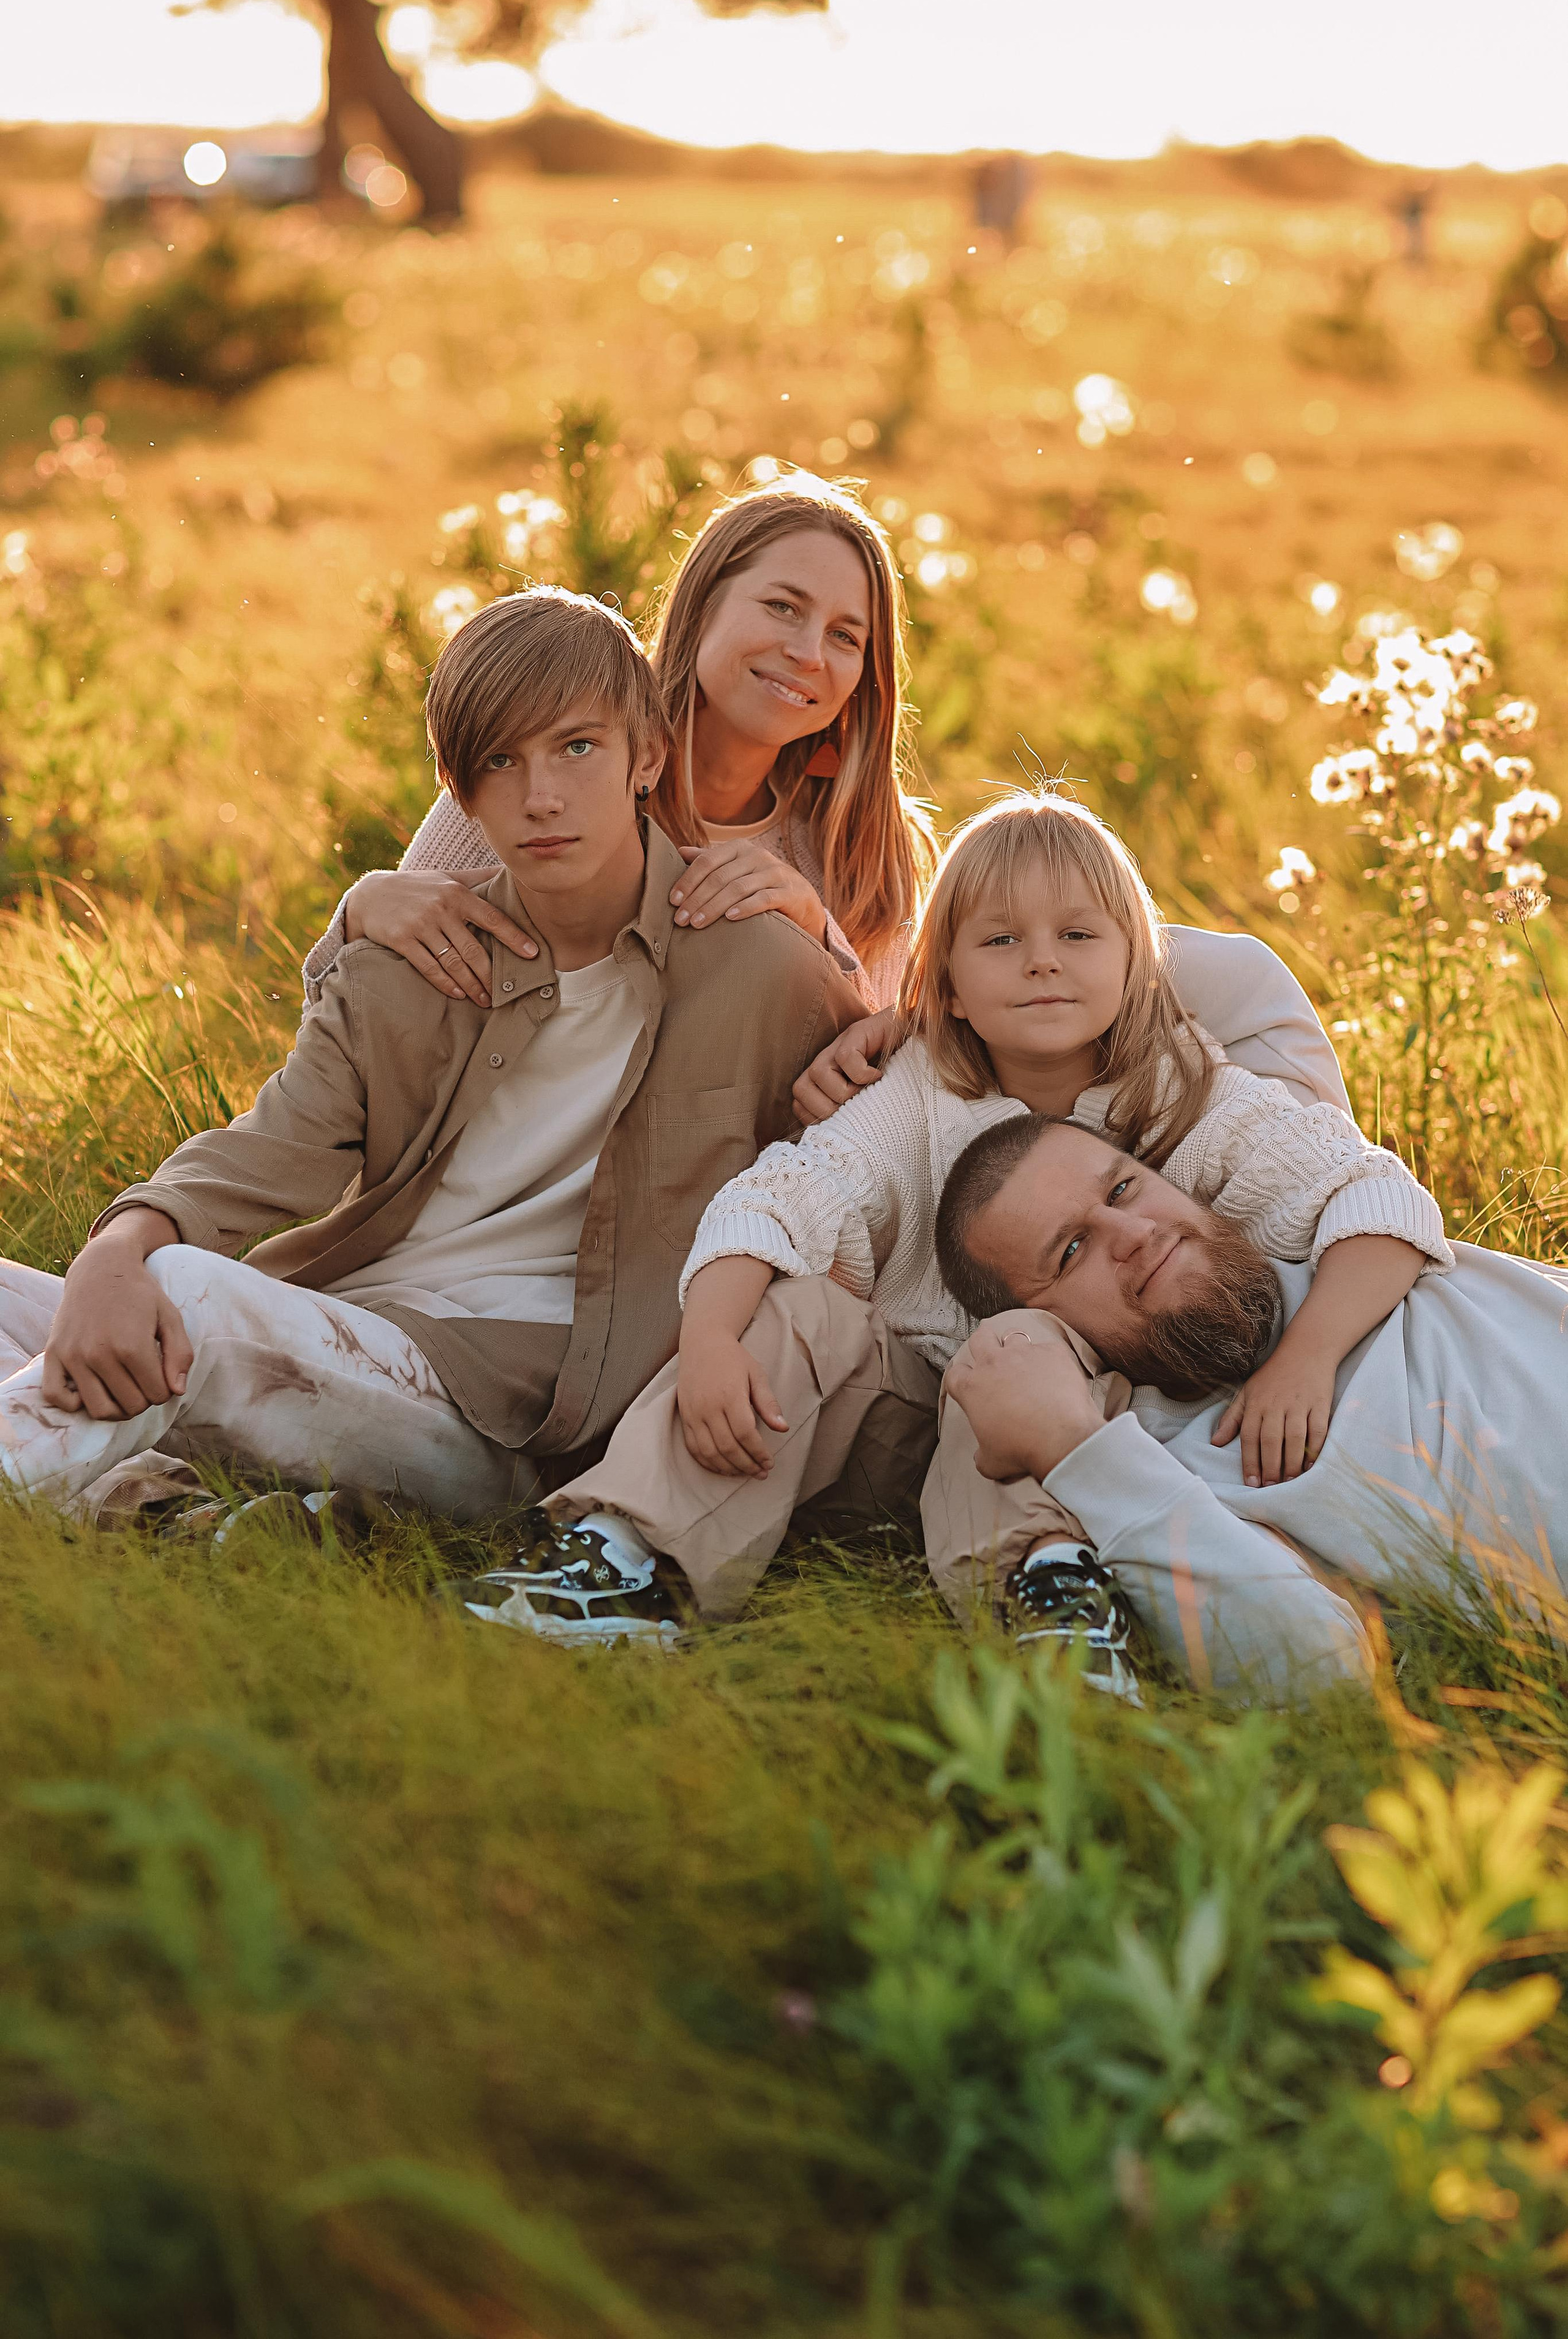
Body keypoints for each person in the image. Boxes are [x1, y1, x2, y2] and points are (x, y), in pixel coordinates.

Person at [469, 790, 1444, 1648]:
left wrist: (1304, 1358)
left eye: (1077, 936)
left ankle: (1053, 1599)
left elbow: (1378, 1198)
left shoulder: (1187, 1091)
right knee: (801, 1309)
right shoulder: (920, 1089)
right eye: (1001, 941)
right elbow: (790, 1196)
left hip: (1089, 1437)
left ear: (1137, 958)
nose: (1042, 966)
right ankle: (619, 1556)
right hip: (899, 1432)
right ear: (948, 983)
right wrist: (715, 1333)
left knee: (1022, 1349)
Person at [0, 588, 864, 1546]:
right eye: (503, 760)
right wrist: (115, 1252)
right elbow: (269, 1147)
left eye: (578, 748)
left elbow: (898, 1132)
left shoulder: (764, 967)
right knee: (61, 1291)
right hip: (337, 1333)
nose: (542, 797)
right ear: (460, 787)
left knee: (189, 1296)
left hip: (517, 1411)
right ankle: (188, 1515)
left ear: (647, 757)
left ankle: (128, 1489)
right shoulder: (415, 956)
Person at [932, 1107, 1568, 1703]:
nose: (1133, 1235)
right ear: (1041, 1320)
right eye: (1071, 1251)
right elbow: (1321, 1672)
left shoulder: (1354, 1243)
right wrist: (1077, 1451)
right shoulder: (1169, 1477)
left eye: (1123, 1190)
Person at [302, 472, 938, 1013]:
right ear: (704, 602)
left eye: (845, 637)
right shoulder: (550, 760)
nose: (806, 653)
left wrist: (814, 931)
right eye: (782, 607)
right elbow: (354, 1009)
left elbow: (885, 1081)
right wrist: (364, 908)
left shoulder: (870, 845)